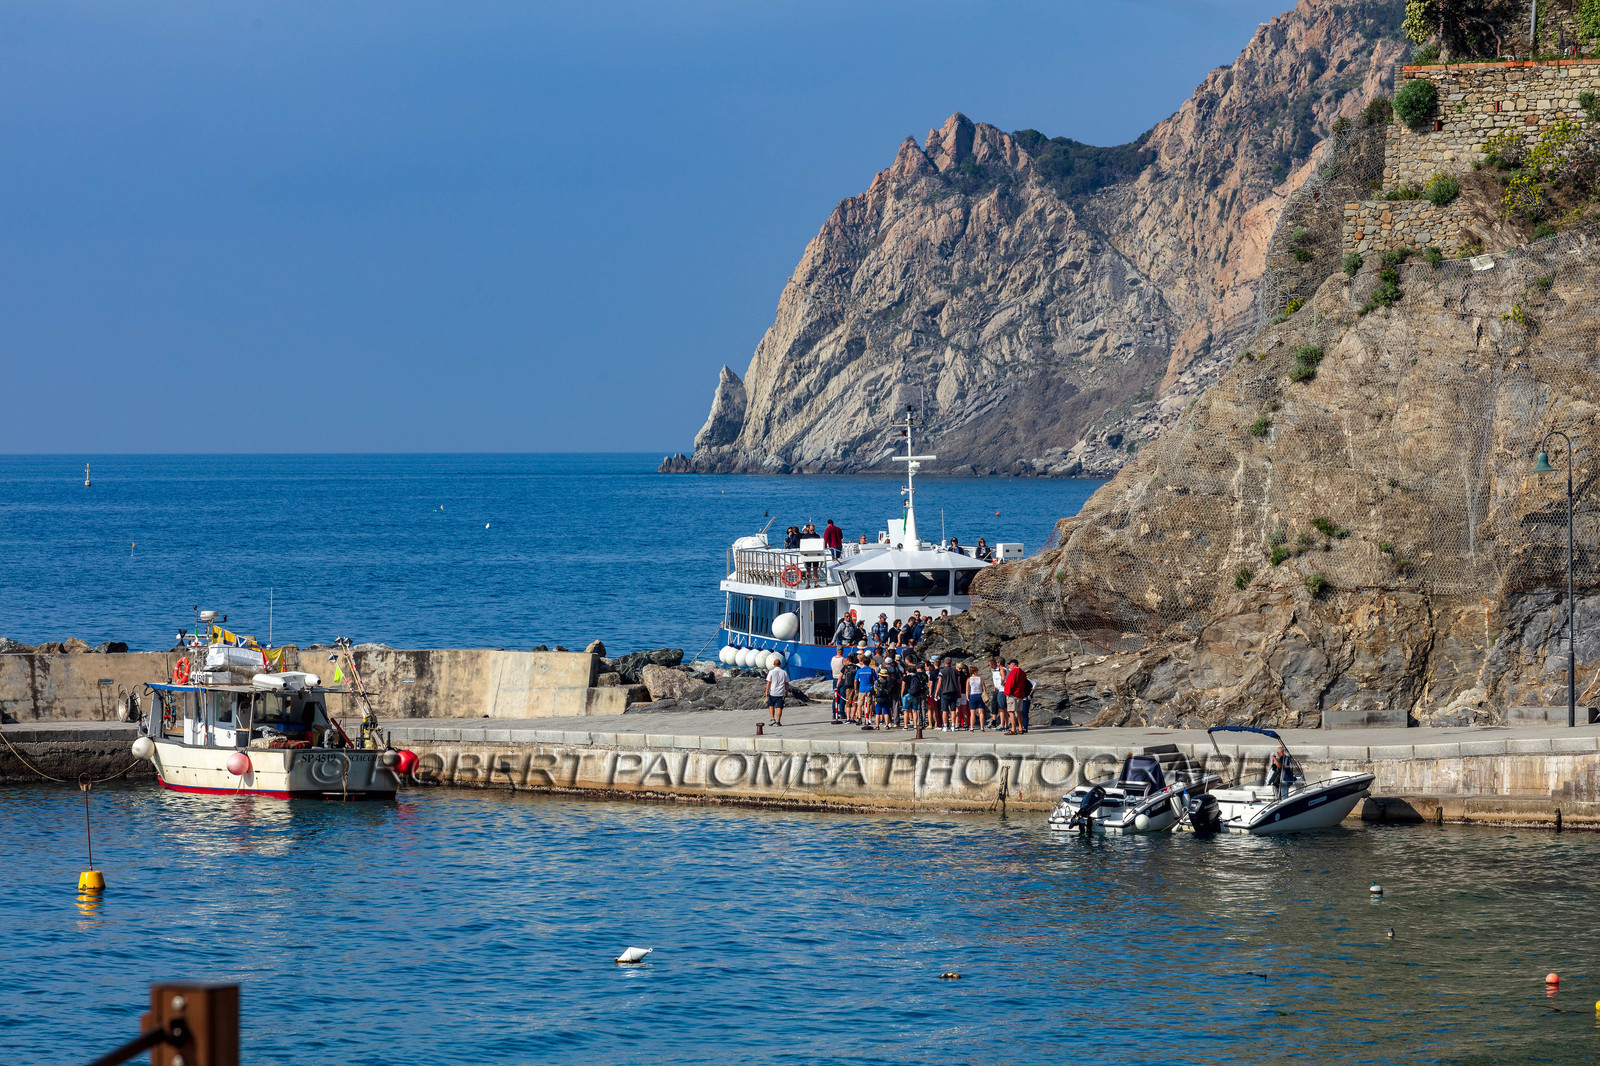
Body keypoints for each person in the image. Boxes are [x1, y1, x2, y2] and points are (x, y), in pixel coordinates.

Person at [1003, 659, 1030, 735]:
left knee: (1011, 712)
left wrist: (1007, 692)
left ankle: (1013, 729)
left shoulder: (1014, 672)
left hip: (1013, 694)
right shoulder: (1022, 672)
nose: (1009, 666)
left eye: (1010, 664)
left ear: (1014, 664)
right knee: (1019, 712)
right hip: (1020, 694)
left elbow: (1011, 683)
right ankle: (1021, 728)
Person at [936, 656, 961, 733]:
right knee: (953, 710)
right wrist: (959, 692)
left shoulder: (942, 671)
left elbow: (939, 683)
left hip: (945, 692)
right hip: (954, 692)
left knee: (944, 710)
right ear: (951, 662)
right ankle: (953, 725)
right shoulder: (955, 671)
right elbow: (958, 683)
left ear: (944, 663)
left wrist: (936, 692)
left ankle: (945, 726)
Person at [766, 654, 790, 727]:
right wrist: (786, 692)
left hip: (773, 692)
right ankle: (778, 722)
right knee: (779, 707)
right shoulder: (784, 672)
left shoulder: (771, 672)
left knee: (771, 705)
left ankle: (772, 719)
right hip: (781, 693)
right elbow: (786, 683)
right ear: (780, 664)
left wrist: (766, 692)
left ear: (774, 665)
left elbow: (768, 683)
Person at [854, 655, 877, 726]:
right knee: (868, 705)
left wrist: (855, 689)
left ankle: (860, 718)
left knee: (859, 705)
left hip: (862, 689)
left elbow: (855, 681)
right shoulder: (871, 670)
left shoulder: (859, 671)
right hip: (869, 689)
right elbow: (875, 680)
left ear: (863, 662)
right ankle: (868, 719)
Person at [967, 665, 986, 730]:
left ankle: (972, 727)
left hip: (972, 695)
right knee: (981, 712)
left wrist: (967, 697)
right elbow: (984, 688)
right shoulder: (980, 678)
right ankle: (982, 727)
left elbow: (967, 689)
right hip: (979, 695)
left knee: (972, 713)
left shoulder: (969, 679)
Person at [989, 656, 1007, 727]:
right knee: (994, 704)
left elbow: (1003, 678)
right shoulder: (992, 671)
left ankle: (1003, 724)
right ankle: (994, 721)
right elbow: (995, 679)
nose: (990, 666)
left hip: (1002, 689)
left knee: (1002, 707)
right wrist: (994, 686)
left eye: (990, 665)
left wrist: (1002, 683)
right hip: (996, 689)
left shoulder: (1000, 669)